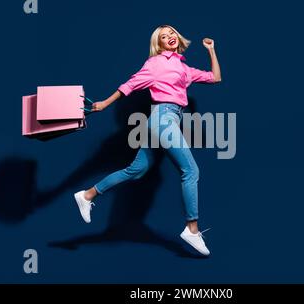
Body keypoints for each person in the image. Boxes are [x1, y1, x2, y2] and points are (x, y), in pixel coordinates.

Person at [74, 24, 222, 256]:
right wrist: (104, 102)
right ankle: (191, 228)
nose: (169, 37)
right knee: (191, 171)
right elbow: (130, 84)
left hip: (166, 119)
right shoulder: (156, 63)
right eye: (164, 36)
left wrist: (211, 50)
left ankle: (88, 194)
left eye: (171, 33)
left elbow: (215, 78)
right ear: (159, 43)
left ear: (177, 36)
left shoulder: (182, 67)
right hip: (162, 118)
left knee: (137, 169)